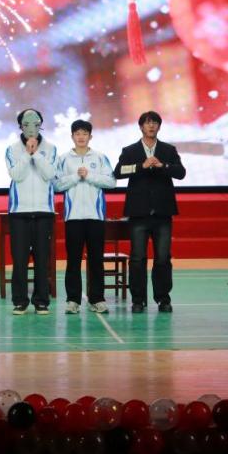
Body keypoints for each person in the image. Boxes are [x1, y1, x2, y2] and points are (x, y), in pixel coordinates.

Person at [113, 111, 186, 313]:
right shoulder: (130, 150)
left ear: (159, 126)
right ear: (141, 127)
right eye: (147, 123)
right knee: (137, 258)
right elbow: (118, 172)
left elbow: (181, 172)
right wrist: (141, 166)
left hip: (163, 213)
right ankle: (138, 299)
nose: (151, 126)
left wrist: (163, 165)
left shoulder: (168, 150)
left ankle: (163, 298)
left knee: (163, 258)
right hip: (139, 214)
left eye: (154, 123)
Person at [54, 119, 116, 314]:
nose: (81, 137)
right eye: (77, 134)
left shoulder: (100, 157)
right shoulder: (63, 159)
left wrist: (88, 175)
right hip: (73, 217)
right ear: (72, 136)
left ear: (90, 136)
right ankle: (73, 300)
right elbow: (56, 185)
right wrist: (76, 177)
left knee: (96, 260)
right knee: (73, 260)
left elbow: (111, 182)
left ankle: (97, 299)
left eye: (84, 133)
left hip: (95, 216)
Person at [5, 108, 58, 314]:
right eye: (26, 124)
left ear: (40, 124)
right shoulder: (12, 149)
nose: (31, 128)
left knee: (42, 259)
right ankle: (20, 301)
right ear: (20, 126)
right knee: (19, 260)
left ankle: (41, 301)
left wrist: (37, 154)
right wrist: (27, 154)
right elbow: (16, 175)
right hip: (19, 211)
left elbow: (50, 174)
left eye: (35, 123)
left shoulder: (51, 148)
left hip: (44, 211)